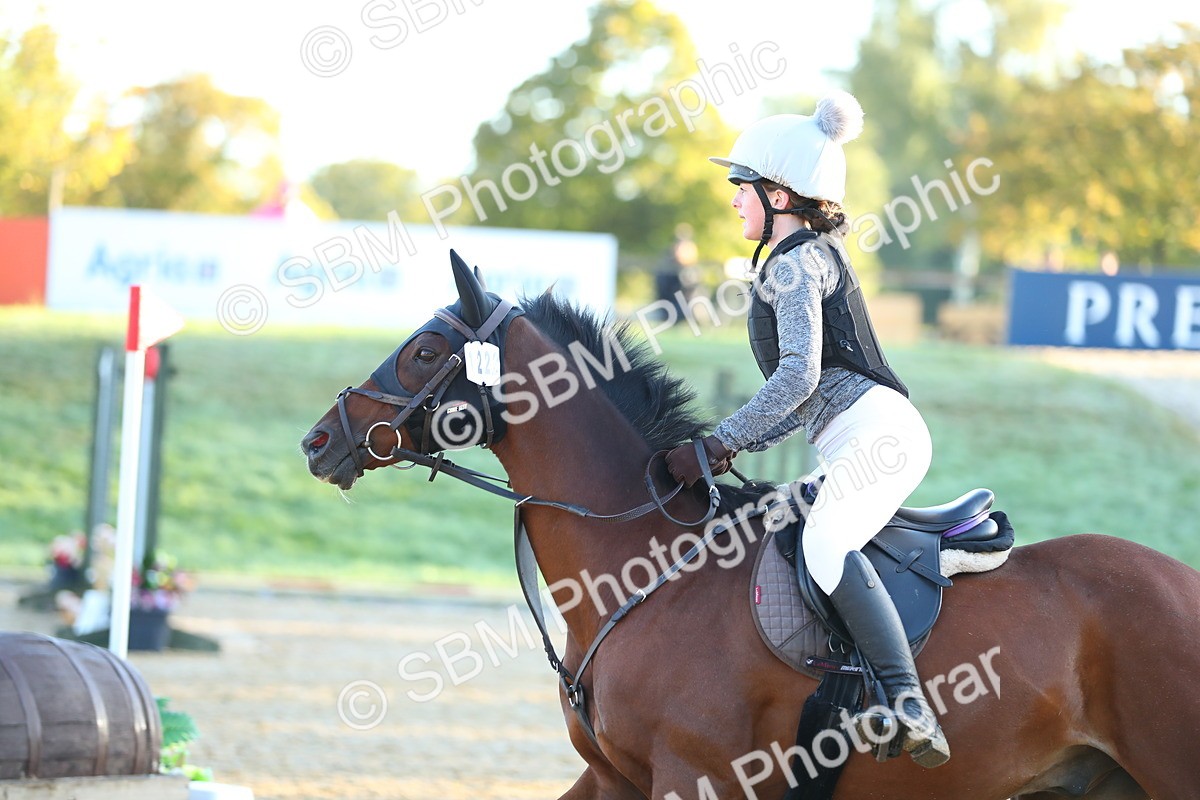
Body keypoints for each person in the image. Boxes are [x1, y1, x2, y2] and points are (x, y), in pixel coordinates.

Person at [664, 91, 950, 768]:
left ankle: (907, 701)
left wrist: (720, 442)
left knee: (824, 544)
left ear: (782, 195)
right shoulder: (796, 258)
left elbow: (797, 379)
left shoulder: (796, 263)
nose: (734, 199)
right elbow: (798, 399)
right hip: (853, 432)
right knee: (784, 531)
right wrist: (733, 443)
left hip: (876, 433)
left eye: (743, 187)